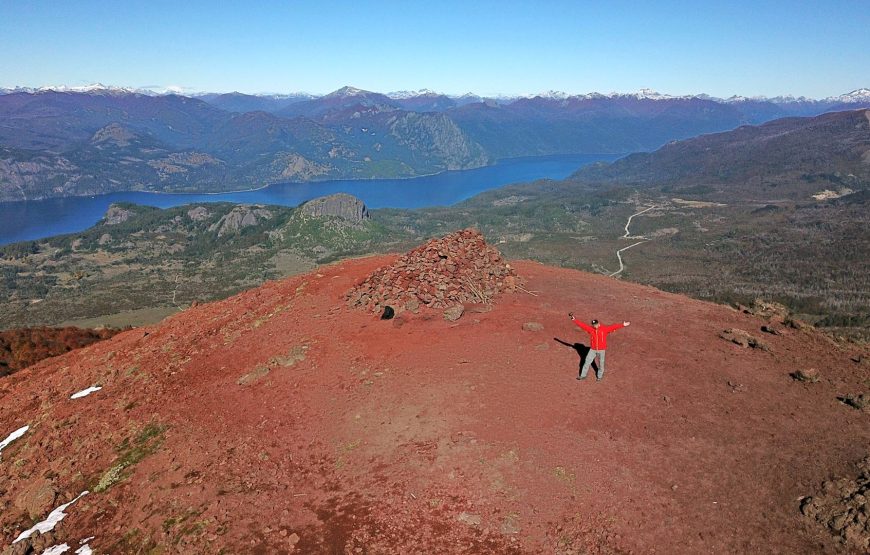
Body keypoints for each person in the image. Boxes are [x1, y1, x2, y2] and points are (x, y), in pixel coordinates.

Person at [568, 313, 630, 381]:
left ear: (598, 323)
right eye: (594, 325)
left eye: (596, 324)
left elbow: (614, 327)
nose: (595, 326)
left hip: (601, 350)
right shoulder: (591, 329)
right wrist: (574, 320)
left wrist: (623, 325)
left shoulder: (604, 329)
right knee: (587, 362)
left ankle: (599, 377)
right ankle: (583, 376)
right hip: (593, 349)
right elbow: (582, 325)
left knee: (601, 364)